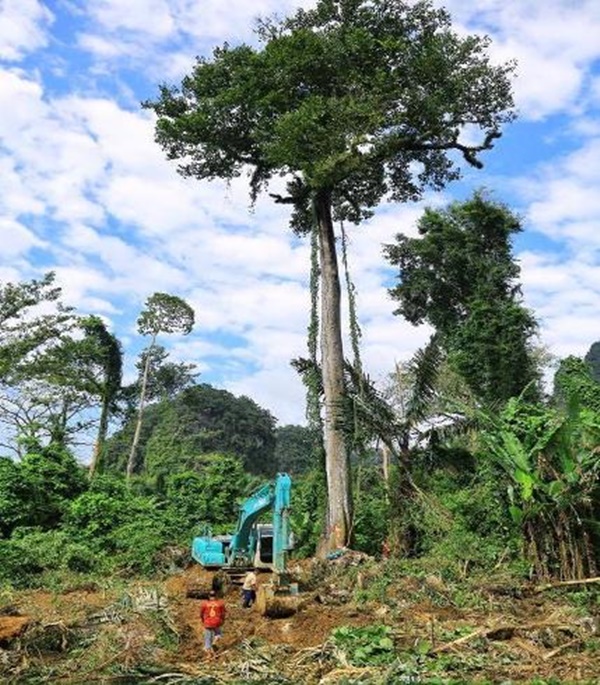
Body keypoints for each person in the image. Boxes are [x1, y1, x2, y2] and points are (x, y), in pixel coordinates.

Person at [200, 590, 226, 658]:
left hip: (208, 622)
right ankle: (214, 642)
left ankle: (208, 653)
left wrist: (203, 621)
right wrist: (222, 620)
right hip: (217, 622)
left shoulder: (204, 604)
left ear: (209, 596)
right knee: (219, 633)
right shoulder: (220, 604)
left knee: (207, 637)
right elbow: (223, 614)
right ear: (216, 596)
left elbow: (201, 614)